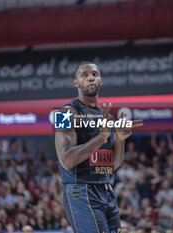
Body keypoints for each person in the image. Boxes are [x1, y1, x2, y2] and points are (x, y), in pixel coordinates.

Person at [55, 62, 142, 233]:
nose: (90, 77)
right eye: (84, 75)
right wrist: (101, 137)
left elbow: (113, 165)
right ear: (76, 83)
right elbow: (66, 160)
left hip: (106, 188)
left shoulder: (106, 116)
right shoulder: (65, 112)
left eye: (94, 74)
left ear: (101, 80)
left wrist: (120, 138)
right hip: (81, 189)